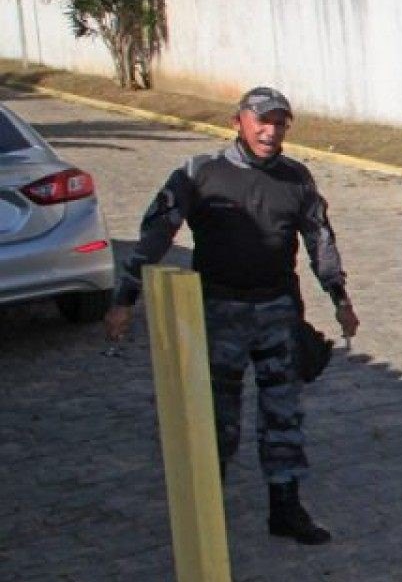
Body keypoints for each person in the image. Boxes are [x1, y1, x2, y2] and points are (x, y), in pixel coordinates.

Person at [105, 87, 356, 545]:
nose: (270, 130)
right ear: (237, 121)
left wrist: (339, 297)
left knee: (283, 414)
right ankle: (206, 512)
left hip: (278, 310)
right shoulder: (200, 173)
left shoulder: (296, 178)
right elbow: (157, 234)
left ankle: (285, 507)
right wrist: (125, 297)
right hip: (219, 312)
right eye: (261, 120)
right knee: (217, 418)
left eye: (279, 122)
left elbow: (320, 239)